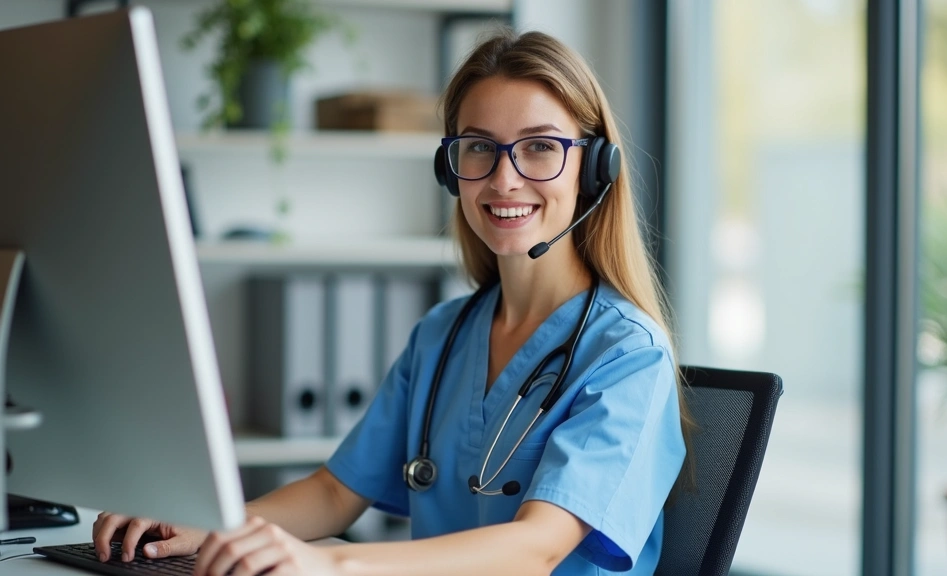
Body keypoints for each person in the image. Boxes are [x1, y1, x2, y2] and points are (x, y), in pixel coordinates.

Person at [93, 28, 692, 575]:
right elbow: (336, 492)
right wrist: (211, 527)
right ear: (450, 169)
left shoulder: (628, 355)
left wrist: (329, 568)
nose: (504, 178)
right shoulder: (442, 334)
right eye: (479, 148)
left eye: (539, 147)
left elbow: (536, 548)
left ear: (594, 168)